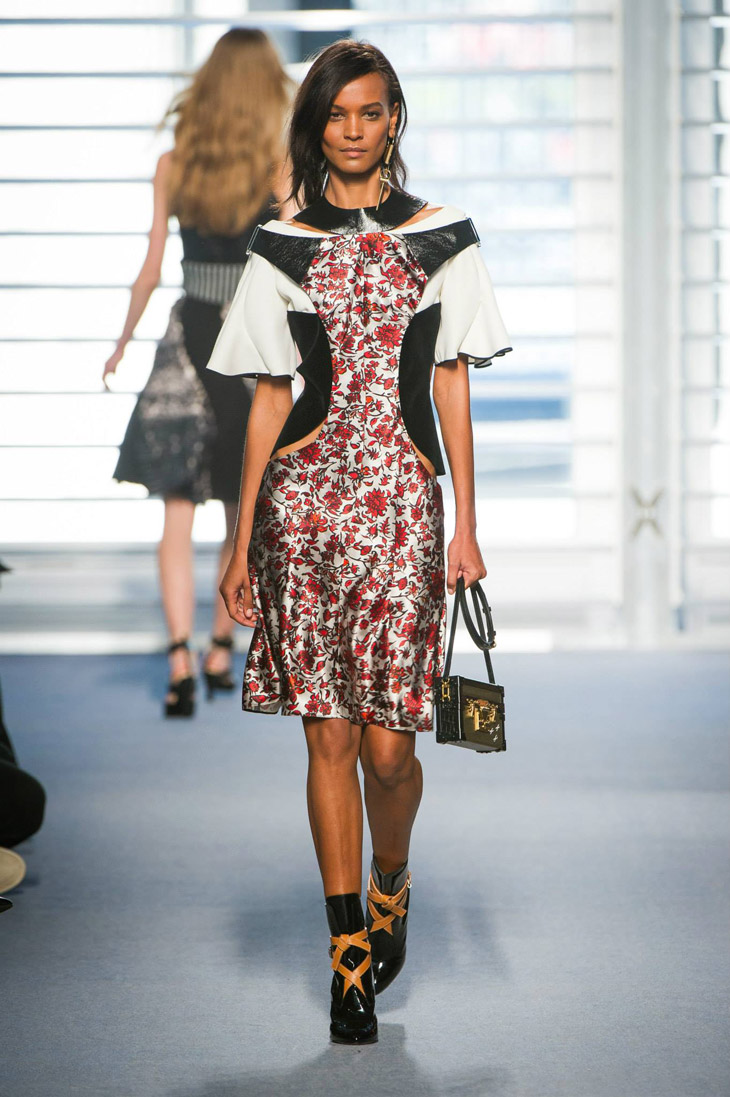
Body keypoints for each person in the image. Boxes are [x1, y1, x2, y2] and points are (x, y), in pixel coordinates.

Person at [207, 39, 511, 1043]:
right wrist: (241, 532)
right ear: (317, 124)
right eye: (336, 113)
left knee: (390, 751)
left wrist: (467, 520)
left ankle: (393, 875)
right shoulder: (278, 245)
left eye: (370, 111)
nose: (352, 128)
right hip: (303, 512)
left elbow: (453, 380)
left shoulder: (442, 237)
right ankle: (348, 957)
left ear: (393, 119)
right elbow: (266, 396)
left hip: (402, 510)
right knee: (328, 733)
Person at [104, 29, 295, 717]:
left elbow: (153, 265)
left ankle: (179, 657)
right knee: (239, 504)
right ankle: (222, 645)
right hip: (248, 347)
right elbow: (296, 257)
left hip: (186, 340)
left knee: (177, 507)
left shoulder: (175, 162)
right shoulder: (279, 166)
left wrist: (123, 342)